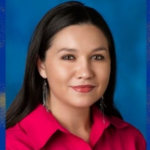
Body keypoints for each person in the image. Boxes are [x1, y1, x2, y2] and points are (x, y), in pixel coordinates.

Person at [6, 1, 146, 150]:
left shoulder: (130, 139)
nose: (85, 73)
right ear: (41, 66)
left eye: (97, 57)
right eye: (68, 57)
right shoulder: (13, 143)